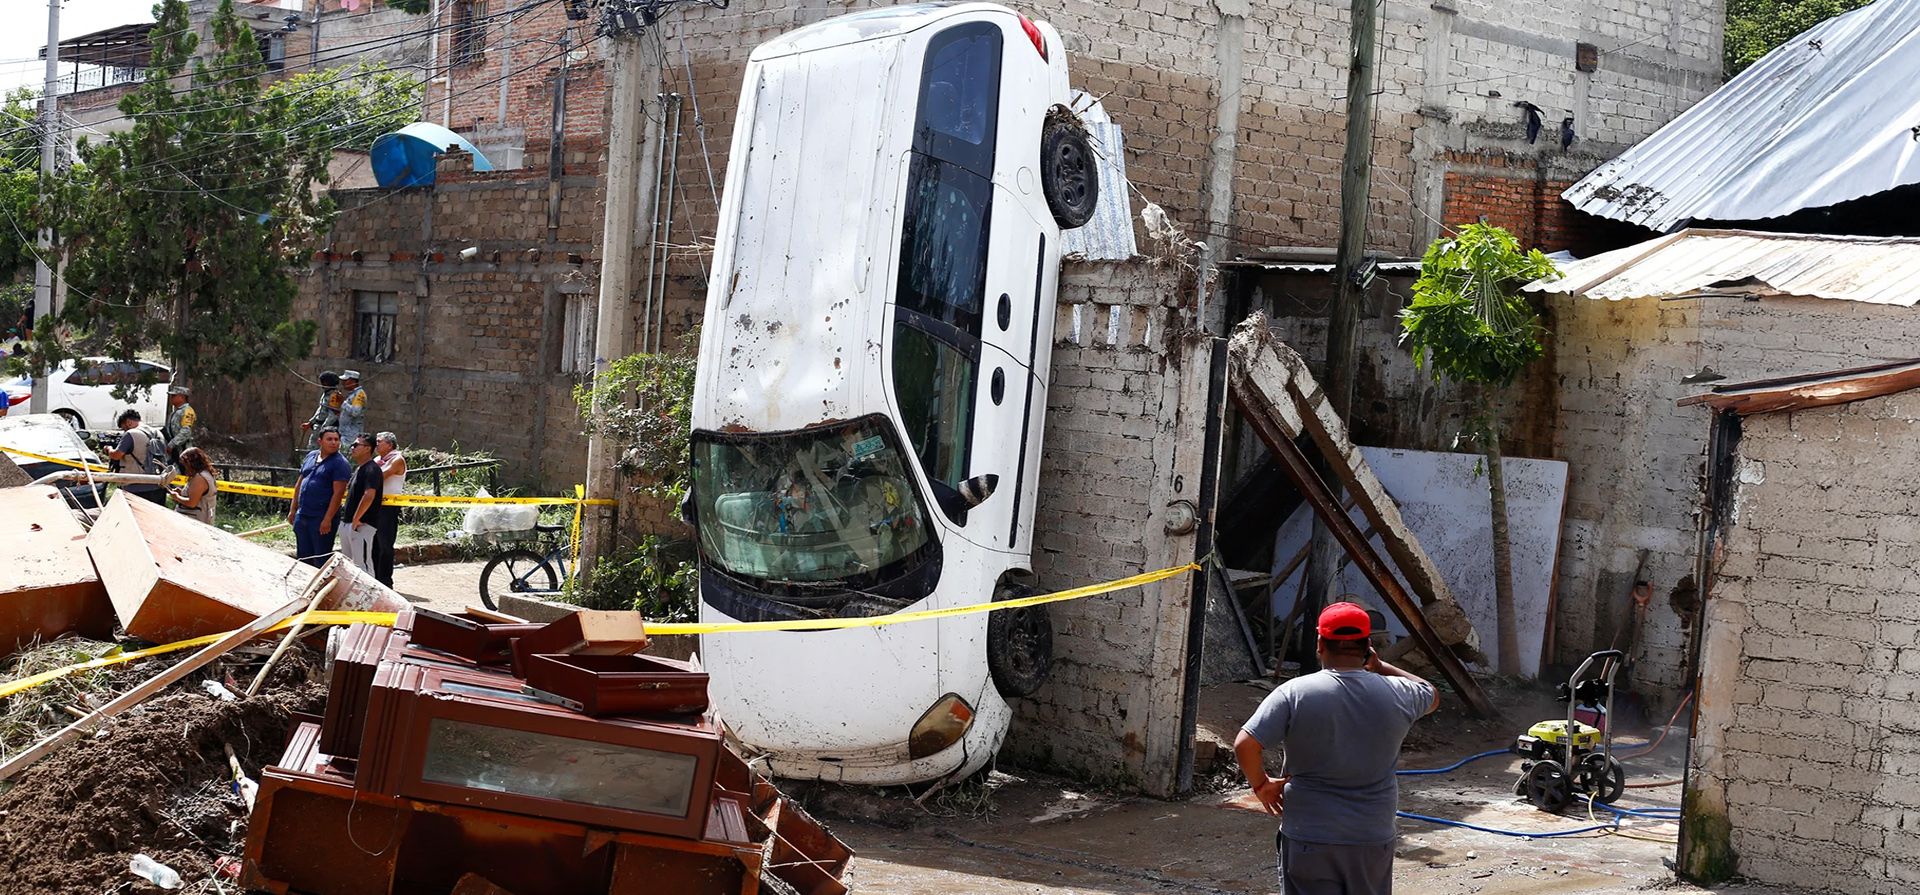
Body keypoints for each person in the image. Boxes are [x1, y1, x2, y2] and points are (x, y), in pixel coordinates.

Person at [1235, 602, 1439, 895]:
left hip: (1309, 835)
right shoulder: (1401, 693)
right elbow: (1430, 693)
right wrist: (1381, 667)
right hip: (1371, 836)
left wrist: (1262, 786)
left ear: (1320, 643)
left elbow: (1245, 744)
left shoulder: (1294, 693)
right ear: (1367, 645)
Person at [288, 427, 351, 567]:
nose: (334, 442)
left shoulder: (340, 464)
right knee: (303, 557)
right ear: (320, 441)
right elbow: (299, 483)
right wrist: (293, 509)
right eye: (329, 439)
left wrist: (327, 519)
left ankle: (320, 587)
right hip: (303, 515)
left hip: (321, 518)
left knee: (320, 558)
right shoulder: (311, 456)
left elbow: (338, 494)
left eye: (336, 440)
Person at [339, 433, 384, 576]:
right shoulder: (360, 469)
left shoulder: (372, 469)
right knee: (349, 565)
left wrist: (357, 518)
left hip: (361, 525)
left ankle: (370, 597)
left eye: (356, 445)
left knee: (362, 565)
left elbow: (369, 495)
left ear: (367, 448)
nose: (352, 448)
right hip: (349, 523)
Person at [108, 409, 167, 505]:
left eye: (124, 428)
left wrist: (109, 450)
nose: (124, 431)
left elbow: (117, 455)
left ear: (128, 422)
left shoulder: (131, 434)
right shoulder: (158, 433)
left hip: (136, 488)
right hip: (158, 485)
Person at [372, 431, 407, 586]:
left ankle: (385, 581)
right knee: (373, 543)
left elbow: (379, 476)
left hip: (388, 507)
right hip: (374, 505)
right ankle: (374, 576)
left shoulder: (397, 460)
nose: (376, 444)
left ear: (389, 444)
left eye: (379, 441)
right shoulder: (377, 460)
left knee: (385, 544)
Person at [168, 447, 219, 524]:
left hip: (195, 521)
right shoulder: (202, 474)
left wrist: (177, 497)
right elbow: (196, 496)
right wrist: (181, 493)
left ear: (190, 463)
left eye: (184, 464)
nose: (184, 467)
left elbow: (192, 503)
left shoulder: (200, 478)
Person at [301, 371, 343, 448]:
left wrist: (324, 429)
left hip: (327, 428)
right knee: (312, 448)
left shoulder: (335, 396)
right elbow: (320, 410)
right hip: (319, 426)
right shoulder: (326, 394)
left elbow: (333, 416)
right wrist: (310, 423)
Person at [163, 385, 197, 464]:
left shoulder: (187, 411)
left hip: (183, 450)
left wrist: (172, 444)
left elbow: (186, 431)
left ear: (182, 397)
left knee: (183, 473)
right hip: (175, 451)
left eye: (174, 396)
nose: (171, 398)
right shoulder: (175, 412)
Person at [337, 370, 367, 444]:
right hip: (345, 433)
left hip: (351, 435)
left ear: (353, 381)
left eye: (345, 381)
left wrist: (342, 402)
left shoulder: (359, 394)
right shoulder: (352, 394)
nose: (343, 383)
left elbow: (355, 412)